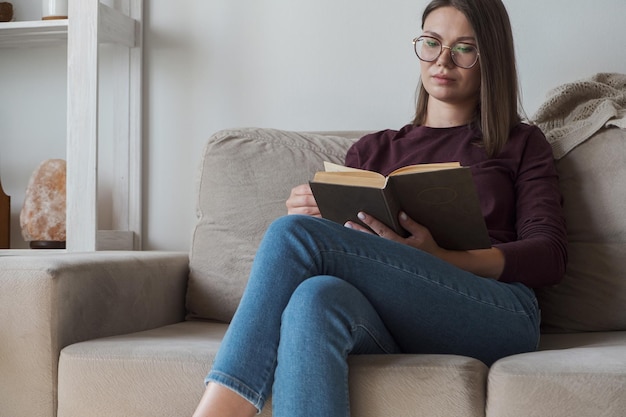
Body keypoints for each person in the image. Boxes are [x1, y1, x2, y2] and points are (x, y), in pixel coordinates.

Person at [192, 0, 568, 415]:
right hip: (390, 315)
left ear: (489, 56)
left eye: (464, 48)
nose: (443, 60)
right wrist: (313, 218)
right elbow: (346, 252)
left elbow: (548, 255)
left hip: (495, 312)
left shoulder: (522, 143)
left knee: (291, 236)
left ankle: (220, 409)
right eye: (431, 42)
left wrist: (443, 258)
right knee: (313, 297)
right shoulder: (372, 151)